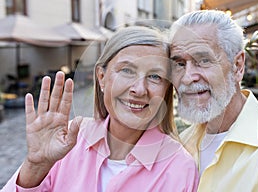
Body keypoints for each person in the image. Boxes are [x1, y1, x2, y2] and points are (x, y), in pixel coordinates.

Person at [2, 26, 199, 192]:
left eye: (155, 76)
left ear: (166, 88)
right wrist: (36, 165)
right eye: (127, 71)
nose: (139, 89)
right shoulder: (68, 140)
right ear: (102, 77)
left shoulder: (180, 169)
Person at [169, 10, 258, 191]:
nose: (187, 77)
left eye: (204, 60)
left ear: (238, 66)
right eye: (179, 64)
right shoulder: (180, 143)